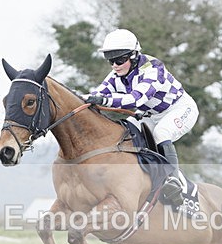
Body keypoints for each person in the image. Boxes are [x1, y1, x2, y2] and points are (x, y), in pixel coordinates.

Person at [84, 29, 199, 207]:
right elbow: (97, 93)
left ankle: (174, 181)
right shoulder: (117, 74)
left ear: (134, 56)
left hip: (180, 109)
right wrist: (78, 98)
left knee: (162, 133)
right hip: (149, 115)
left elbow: (136, 99)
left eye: (119, 59)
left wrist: (104, 100)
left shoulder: (153, 68)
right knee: (125, 134)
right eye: (110, 60)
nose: (114, 65)